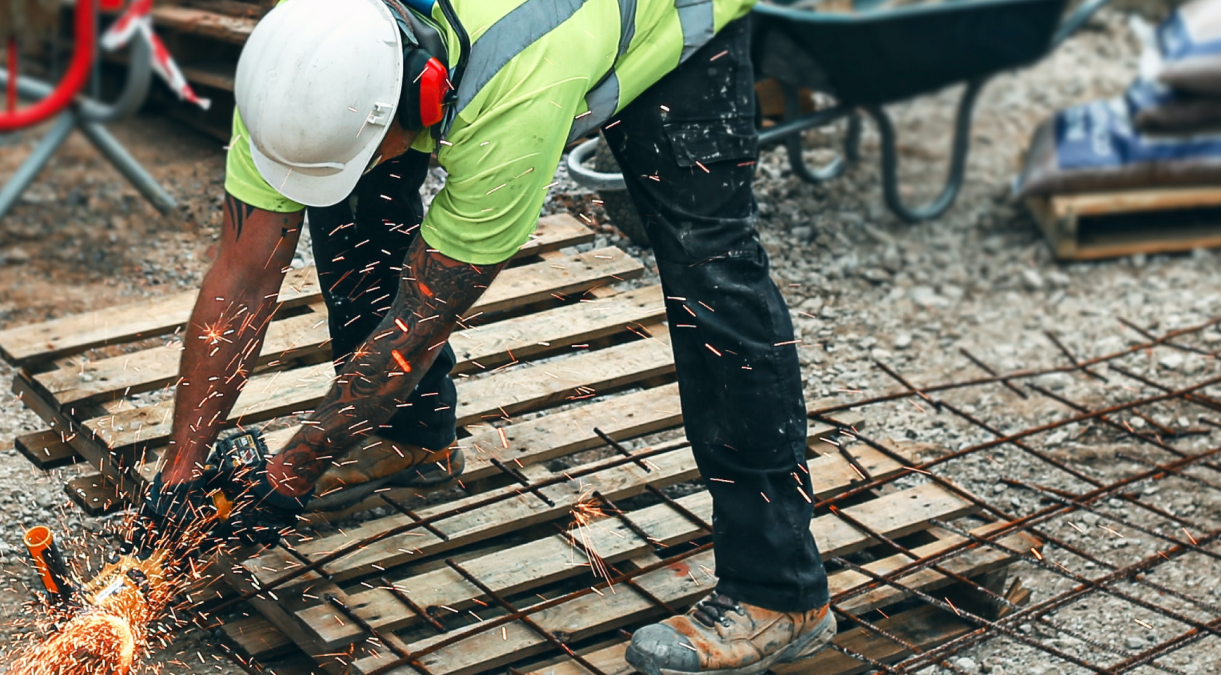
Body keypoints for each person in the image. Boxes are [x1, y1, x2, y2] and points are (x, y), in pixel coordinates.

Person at [134, 0, 830, 671]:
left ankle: (779, 592)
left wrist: (290, 473)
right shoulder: (311, 51)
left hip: (673, 18)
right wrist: (182, 466)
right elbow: (244, 274)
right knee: (348, 196)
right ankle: (410, 438)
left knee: (712, 275)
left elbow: (418, 325)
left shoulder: (515, 92)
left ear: (421, 96)